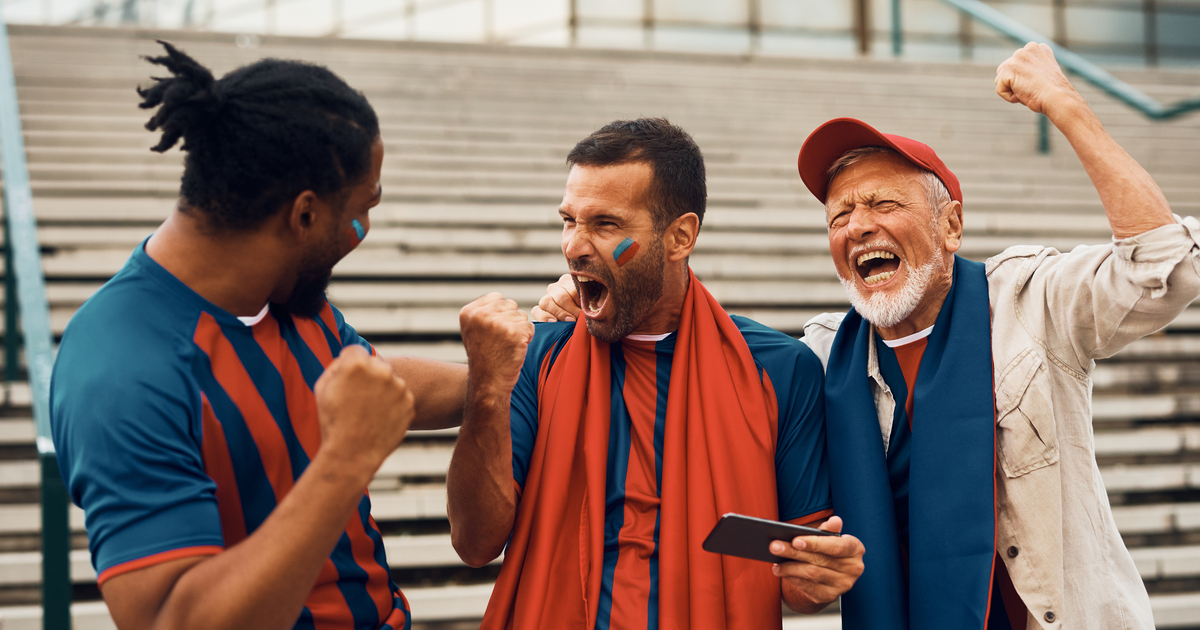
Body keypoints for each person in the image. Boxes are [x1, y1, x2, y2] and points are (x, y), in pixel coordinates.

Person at [532, 44, 1200, 630]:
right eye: (840, 213)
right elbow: (700, 347)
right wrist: (589, 304)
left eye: (884, 204)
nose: (859, 226)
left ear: (950, 227)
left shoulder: (1031, 302)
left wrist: (1065, 105)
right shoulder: (823, 355)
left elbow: (1166, 272)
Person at [50, 42, 476, 630]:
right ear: (303, 215)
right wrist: (345, 461)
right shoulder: (123, 367)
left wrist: (506, 373)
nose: (365, 230)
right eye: (362, 208)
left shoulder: (282, 291)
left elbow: (371, 384)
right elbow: (169, 620)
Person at [449, 118, 865, 630]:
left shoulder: (781, 369)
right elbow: (474, 543)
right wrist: (486, 388)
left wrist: (819, 576)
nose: (574, 246)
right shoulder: (539, 357)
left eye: (605, 225)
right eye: (568, 220)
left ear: (680, 236)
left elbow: (799, 578)